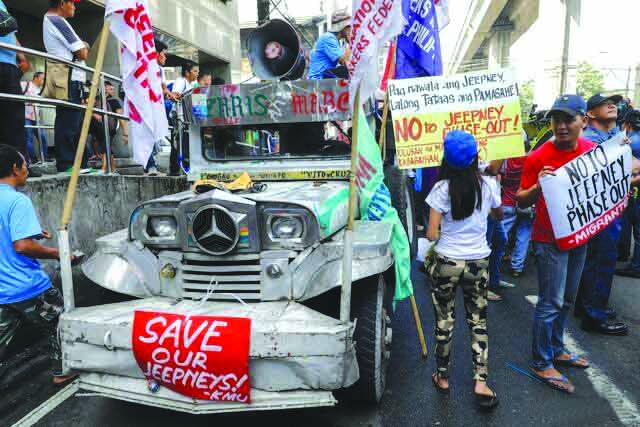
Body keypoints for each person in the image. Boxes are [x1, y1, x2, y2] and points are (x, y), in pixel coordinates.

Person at [517, 95, 593, 394]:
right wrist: (538, 186)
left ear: (583, 121)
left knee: (567, 299)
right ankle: (541, 360)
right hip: (549, 239)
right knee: (550, 302)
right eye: (556, 120)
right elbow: (520, 199)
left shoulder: (592, 151)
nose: (561, 126)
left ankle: (558, 348)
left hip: (581, 236)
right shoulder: (538, 156)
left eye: (568, 119)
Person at [425, 130, 501, 410]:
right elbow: (498, 214)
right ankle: (481, 381)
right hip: (478, 263)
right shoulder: (488, 185)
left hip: (446, 262)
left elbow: (432, 234)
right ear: (475, 158)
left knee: (444, 321)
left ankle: (442, 377)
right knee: (478, 321)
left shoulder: (441, 190)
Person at [0, 145, 75, 384]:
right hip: (28, 286)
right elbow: (21, 246)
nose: (27, 171)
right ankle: (63, 370)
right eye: (25, 166)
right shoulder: (17, 201)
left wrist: (32, 234)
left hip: (3, 290)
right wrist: (57, 253)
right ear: (14, 168)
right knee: (63, 322)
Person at [573, 94, 629, 336]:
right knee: (601, 261)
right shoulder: (592, 141)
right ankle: (593, 315)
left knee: (594, 261)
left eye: (613, 102)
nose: (611, 105)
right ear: (591, 114)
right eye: (604, 103)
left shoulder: (610, 137)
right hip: (600, 212)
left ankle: (586, 306)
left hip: (607, 209)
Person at [43, 0, 89, 173]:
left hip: (67, 77)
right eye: (72, 3)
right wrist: (82, 45)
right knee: (68, 122)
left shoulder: (53, 21)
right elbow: (83, 52)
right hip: (67, 78)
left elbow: (81, 51)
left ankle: (77, 164)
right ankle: (67, 164)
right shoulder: (57, 21)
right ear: (62, 3)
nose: (75, 7)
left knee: (72, 122)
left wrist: (81, 48)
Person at [0, 1, 41, 177]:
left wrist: (22, 57)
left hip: (9, 65)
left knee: (15, 119)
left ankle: (20, 165)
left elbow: (12, 34)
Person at [500, 132, 533, 278]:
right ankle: (517, 267)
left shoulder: (506, 159)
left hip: (507, 201)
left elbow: (499, 177)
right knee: (523, 235)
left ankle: (494, 262)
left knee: (501, 235)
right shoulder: (532, 159)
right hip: (527, 203)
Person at [616, 109, 640, 278]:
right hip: (634, 191)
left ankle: (636, 266)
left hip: (635, 188)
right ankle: (626, 254)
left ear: (628, 125)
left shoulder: (631, 142)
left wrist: (627, 183)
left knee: (636, 229)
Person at [169, 62, 199, 175]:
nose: (197, 74)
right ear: (187, 72)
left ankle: (183, 167)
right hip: (179, 117)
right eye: (195, 71)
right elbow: (175, 95)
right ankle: (175, 169)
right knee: (178, 143)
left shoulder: (191, 84)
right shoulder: (181, 81)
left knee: (186, 143)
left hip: (187, 117)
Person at [308, 14, 351, 80]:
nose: (351, 30)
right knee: (345, 71)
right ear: (344, 28)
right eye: (349, 27)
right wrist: (351, 41)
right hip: (319, 77)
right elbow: (344, 61)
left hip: (325, 75)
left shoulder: (334, 40)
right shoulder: (329, 38)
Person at [21, 72, 50, 163]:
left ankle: (44, 157)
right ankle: (33, 159)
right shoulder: (25, 84)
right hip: (25, 115)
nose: (44, 80)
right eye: (43, 78)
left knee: (43, 137)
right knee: (28, 137)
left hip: (36, 117)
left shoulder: (41, 90)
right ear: (36, 78)